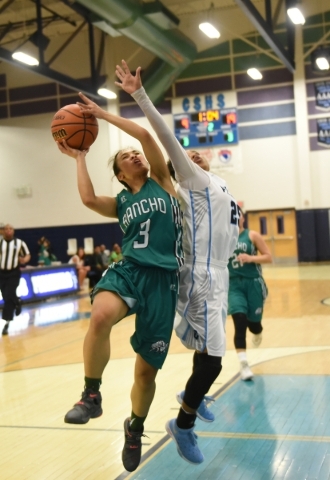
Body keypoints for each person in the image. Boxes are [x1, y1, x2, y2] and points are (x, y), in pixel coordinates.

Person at [115, 59, 239, 464]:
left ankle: (191, 394)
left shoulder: (220, 185)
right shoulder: (190, 183)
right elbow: (166, 138)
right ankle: (183, 424)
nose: (194, 156)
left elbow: (229, 231)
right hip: (198, 275)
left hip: (219, 275)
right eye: (187, 157)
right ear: (181, 169)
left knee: (208, 357)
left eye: (198, 155)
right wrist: (139, 94)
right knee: (215, 361)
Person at [56, 91, 183, 473]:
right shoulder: (121, 202)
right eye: (126, 158)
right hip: (129, 271)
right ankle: (90, 394)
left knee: (145, 374)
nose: (134, 155)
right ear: (121, 176)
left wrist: (101, 115)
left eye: (135, 154)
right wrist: (80, 157)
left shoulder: (162, 181)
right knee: (99, 318)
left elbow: (146, 137)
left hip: (163, 282)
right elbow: (88, 198)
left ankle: (135, 427)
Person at [228, 207, 272, 380]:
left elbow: (268, 257)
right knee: (239, 321)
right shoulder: (222, 238)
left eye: (237, 215)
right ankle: (244, 364)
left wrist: (251, 258)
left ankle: (258, 330)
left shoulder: (252, 235)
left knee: (253, 325)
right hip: (233, 285)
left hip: (253, 283)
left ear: (242, 218)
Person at [0, 224, 31, 335]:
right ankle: (17, 301)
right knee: (5, 295)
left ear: (13, 231)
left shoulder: (19, 243)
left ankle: (6, 323)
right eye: (6, 229)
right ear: (3, 231)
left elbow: (27, 254)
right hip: (1, 273)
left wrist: (24, 260)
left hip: (13, 272)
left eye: (10, 229)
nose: (8, 231)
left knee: (8, 296)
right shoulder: (0, 243)